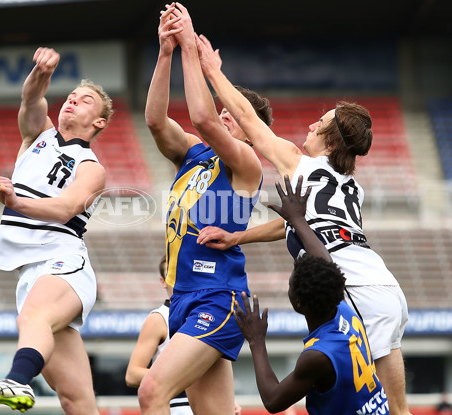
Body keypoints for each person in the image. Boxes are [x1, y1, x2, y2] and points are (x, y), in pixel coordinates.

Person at [195, 33, 411, 415]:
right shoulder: (351, 186)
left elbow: (247, 118)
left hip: (352, 285)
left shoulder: (298, 161)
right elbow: (299, 226)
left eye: (321, 122)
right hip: (383, 284)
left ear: (330, 139)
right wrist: (239, 237)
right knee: (397, 409)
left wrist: (212, 70)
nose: (311, 123)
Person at [0, 47, 113, 414]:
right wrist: (42, 72)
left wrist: (16, 202)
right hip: (32, 271)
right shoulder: (37, 137)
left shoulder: (91, 167)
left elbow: (65, 209)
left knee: (33, 318)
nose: (73, 101)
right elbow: (31, 98)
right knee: (76, 399)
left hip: (62, 262)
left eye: (85, 100)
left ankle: (14, 382)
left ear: (100, 122)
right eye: (71, 96)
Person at [137, 3, 271, 415]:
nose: (223, 117)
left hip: (217, 295)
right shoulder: (195, 157)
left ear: (251, 132)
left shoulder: (246, 163)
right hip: (183, 297)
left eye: (233, 115)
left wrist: (190, 49)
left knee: (152, 392)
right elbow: (157, 122)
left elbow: (203, 118)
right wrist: (165, 53)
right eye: (224, 111)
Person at [235, 174, 389, 415]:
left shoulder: (317, 356)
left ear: (297, 303)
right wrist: (297, 219)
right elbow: (325, 261)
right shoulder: (342, 310)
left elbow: (274, 401)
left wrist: (256, 340)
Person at [125, 255, 242, 415]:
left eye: (180, 272)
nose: (177, 279)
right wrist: (178, 374)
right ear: (163, 281)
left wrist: (225, 399)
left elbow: (210, 369)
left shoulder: (210, 315)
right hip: (175, 406)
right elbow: (132, 374)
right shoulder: (159, 318)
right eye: (171, 274)